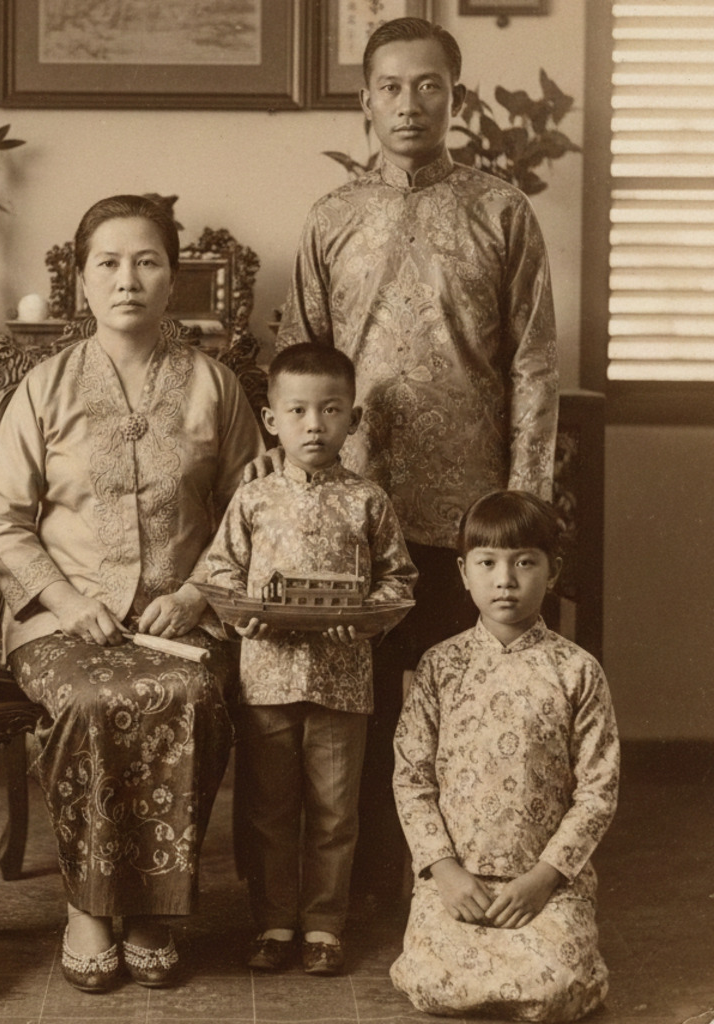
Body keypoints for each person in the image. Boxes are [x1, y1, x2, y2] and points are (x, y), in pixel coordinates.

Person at [274, 16, 559, 904]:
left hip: (465, 504)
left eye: (429, 86)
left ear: (456, 98)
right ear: (366, 101)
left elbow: (534, 363)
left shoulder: (501, 210)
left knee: (450, 696)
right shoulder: (332, 217)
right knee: (353, 704)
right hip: (347, 504)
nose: (410, 105)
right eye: (392, 87)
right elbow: (299, 353)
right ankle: (349, 888)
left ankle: (453, 876)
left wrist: (524, 497)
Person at [0, 194, 265, 992]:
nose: (127, 278)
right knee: (92, 702)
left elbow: (253, 511)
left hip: (180, 622)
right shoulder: (46, 387)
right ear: (80, 279)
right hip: (59, 623)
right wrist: (69, 604)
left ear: (174, 279)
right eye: (107, 262)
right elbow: (2, 519)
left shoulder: (215, 387)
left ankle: (155, 912)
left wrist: (202, 592)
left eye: (146, 261)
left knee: (188, 691)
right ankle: (91, 906)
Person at [205, 343, 417, 976]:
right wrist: (238, 610)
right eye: (297, 411)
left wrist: (365, 620)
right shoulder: (253, 500)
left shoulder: (367, 501)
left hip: (342, 681)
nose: (314, 425)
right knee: (270, 811)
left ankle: (324, 924)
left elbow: (398, 579)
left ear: (353, 418)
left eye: (330, 409)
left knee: (333, 811)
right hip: (267, 678)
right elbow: (219, 570)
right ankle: (273, 920)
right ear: (272, 420)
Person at [391, 490, 619, 1021]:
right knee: (431, 983)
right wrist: (444, 872)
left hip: (543, 882)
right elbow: (412, 780)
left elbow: (598, 791)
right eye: (487, 563)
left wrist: (543, 879)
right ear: (463, 573)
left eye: (524, 563)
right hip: (458, 880)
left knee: (557, 986)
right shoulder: (440, 667)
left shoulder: (576, 671)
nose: (506, 580)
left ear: (553, 570)